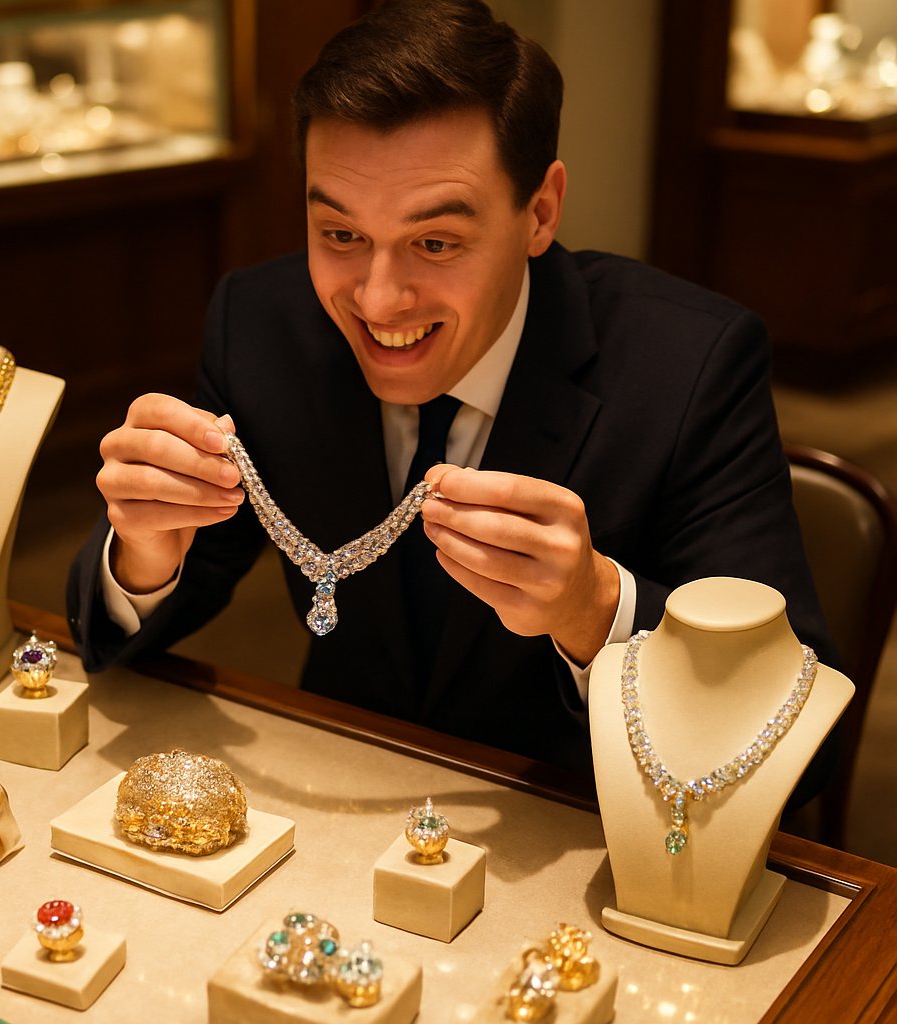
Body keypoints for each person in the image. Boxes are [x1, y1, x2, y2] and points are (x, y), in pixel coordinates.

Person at [67, 0, 835, 780]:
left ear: (540, 213)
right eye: (341, 235)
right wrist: (145, 553)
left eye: (435, 242)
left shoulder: (689, 364)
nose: (377, 299)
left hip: (580, 823)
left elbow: (799, 729)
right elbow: (117, 637)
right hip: (341, 794)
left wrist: (595, 610)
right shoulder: (262, 325)